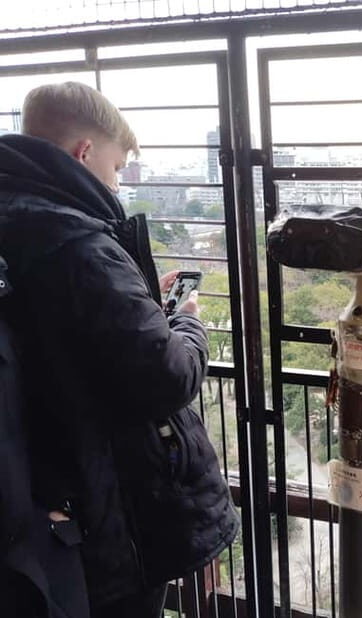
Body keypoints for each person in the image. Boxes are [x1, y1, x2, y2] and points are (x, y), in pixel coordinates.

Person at [0, 82, 238, 617]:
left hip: (40, 494)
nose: (117, 181)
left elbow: (64, 337)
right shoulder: (79, 243)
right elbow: (166, 376)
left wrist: (140, 305)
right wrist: (184, 321)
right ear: (84, 153)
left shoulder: (14, 218)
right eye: (116, 165)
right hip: (110, 502)